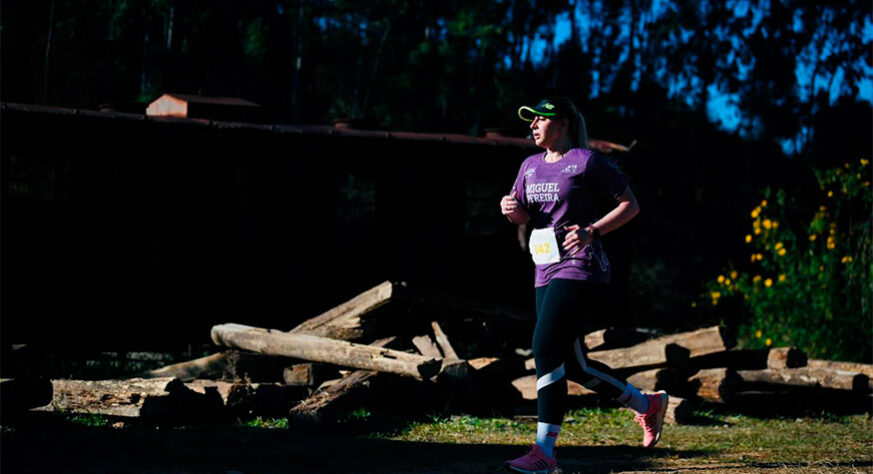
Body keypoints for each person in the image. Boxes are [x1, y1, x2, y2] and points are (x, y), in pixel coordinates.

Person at [500, 97, 667, 474]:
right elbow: (527, 215)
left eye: (539, 120)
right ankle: (647, 405)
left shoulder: (587, 161)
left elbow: (631, 205)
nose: (532, 127)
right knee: (572, 365)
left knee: (544, 348)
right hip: (544, 266)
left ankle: (545, 453)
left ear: (560, 124)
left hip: (580, 265)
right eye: (531, 122)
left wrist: (592, 231)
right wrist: (513, 212)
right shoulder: (529, 166)